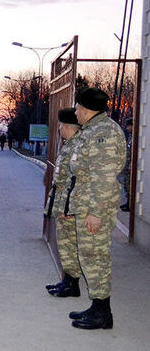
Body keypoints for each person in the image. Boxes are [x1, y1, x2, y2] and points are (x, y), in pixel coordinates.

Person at [65, 88, 126, 330]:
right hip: (88, 200)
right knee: (90, 256)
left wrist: (95, 213)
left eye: (78, 107)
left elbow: (104, 177)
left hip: (95, 204)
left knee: (96, 257)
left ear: (87, 109)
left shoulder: (104, 133)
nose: (76, 112)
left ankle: (103, 313)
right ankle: (97, 306)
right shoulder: (93, 130)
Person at [44, 108, 82, 299]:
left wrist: (68, 207)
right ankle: (68, 282)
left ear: (67, 126)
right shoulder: (68, 145)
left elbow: (75, 180)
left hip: (69, 205)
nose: (59, 129)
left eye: (60, 125)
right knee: (64, 244)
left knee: (69, 244)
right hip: (61, 202)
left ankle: (72, 284)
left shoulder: (78, 146)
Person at [120, 118, 133, 212]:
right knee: (126, 185)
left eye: (129, 126)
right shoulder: (130, 137)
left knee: (130, 185)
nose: (127, 128)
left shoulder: (135, 139)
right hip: (127, 165)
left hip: (130, 167)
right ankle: (128, 203)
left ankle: (130, 204)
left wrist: (130, 166)